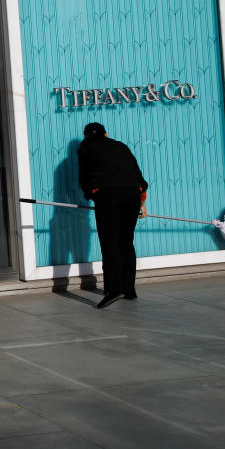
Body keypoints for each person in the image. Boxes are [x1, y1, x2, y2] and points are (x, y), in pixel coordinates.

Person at [76, 122, 148, 309]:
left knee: (110, 243)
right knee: (126, 241)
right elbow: (138, 176)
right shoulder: (121, 146)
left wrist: (93, 195)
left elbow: (84, 178)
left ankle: (113, 289)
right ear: (106, 133)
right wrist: (142, 202)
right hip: (132, 194)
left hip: (108, 195)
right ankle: (129, 289)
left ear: (86, 136)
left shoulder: (85, 148)